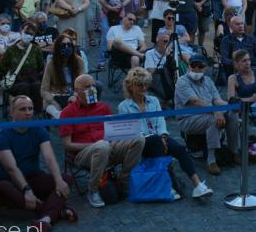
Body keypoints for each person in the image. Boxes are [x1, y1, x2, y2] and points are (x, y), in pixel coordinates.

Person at [118, 68, 213, 198]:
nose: (144, 87)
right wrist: (157, 138)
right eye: (140, 85)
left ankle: (197, 185)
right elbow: (131, 130)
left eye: (146, 84)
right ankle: (168, 185)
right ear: (131, 86)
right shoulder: (124, 106)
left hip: (159, 139)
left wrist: (162, 136)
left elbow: (161, 122)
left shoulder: (154, 101)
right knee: (156, 142)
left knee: (179, 148)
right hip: (140, 142)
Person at [58, 74, 145, 208]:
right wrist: (95, 145)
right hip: (83, 153)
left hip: (108, 148)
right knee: (102, 146)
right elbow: (67, 144)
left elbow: (113, 132)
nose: (92, 89)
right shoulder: (67, 113)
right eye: (87, 87)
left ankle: (124, 180)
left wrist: (114, 142)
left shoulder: (103, 107)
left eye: (93, 85)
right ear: (77, 91)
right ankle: (93, 189)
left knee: (138, 139)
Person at [0, 95, 75, 232]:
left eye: (30, 109)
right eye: (22, 109)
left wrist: (58, 181)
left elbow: (49, 157)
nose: (28, 112)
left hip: (34, 176)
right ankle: (58, 210)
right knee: (4, 188)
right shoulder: (3, 136)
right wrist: (26, 190)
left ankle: (45, 219)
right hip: (11, 182)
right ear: (11, 112)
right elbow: (11, 168)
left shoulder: (38, 129)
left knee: (65, 179)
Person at [174, 55, 238, 176]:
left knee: (232, 115)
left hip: (208, 113)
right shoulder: (182, 81)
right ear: (189, 66)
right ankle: (211, 160)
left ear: (205, 68)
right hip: (188, 118)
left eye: (200, 66)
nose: (197, 69)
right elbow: (195, 101)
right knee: (213, 120)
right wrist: (215, 111)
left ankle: (233, 151)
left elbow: (216, 100)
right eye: (194, 66)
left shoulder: (208, 80)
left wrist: (231, 106)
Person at [0, 20, 44, 110]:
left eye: (31, 34)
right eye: (26, 32)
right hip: (16, 81)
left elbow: (40, 67)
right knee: (24, 87)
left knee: (37, 86)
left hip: (33, 79)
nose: (28, 35)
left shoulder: (36, 49)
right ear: (21, 31)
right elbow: (1, 68)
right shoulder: (11, 50)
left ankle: (37, 114)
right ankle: (21, 112)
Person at [40, 34, 85, 118]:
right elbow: (44, 90)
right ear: (58, 47)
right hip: (57, 97)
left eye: (69, 44)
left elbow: (83, 84)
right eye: (63, 45)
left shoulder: (79, 61)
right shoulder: (51, 64)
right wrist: (54, 102)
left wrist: (75, 96)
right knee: (55, 111)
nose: (67, 47)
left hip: (75, 96)